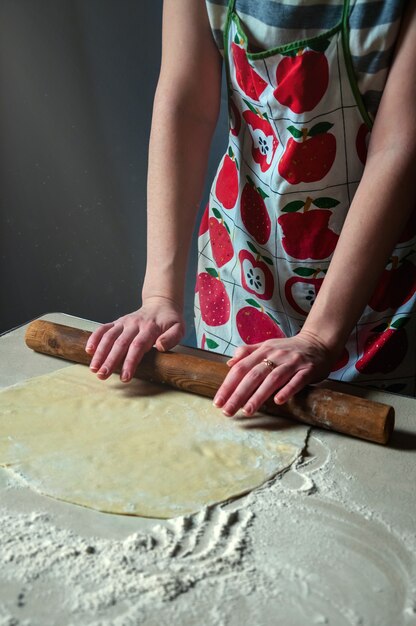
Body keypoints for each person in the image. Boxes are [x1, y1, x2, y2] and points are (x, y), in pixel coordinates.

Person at [85, 0, 416, 417]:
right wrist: (158, 295)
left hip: (379, 293)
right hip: (243, 272)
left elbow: (399, 146)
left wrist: (319, 336)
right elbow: (185, 107)